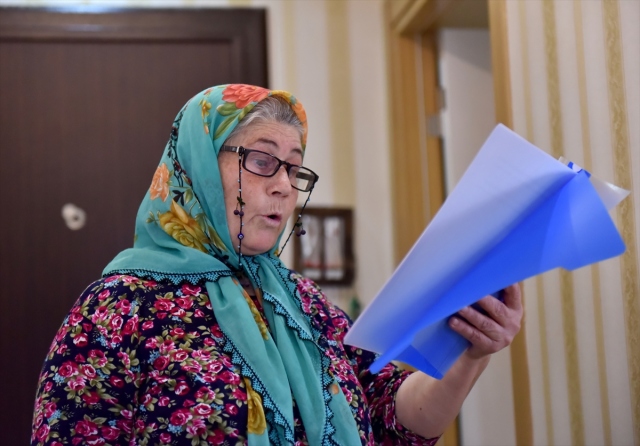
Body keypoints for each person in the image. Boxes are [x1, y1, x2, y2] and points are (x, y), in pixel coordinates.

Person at [31, 84, 523, 445]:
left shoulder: (305, 305)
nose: (285, 185)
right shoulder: (117, 308)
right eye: (263, 161)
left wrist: (470, 354)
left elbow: (395, 420)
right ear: (199, 168)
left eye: (294, 167)